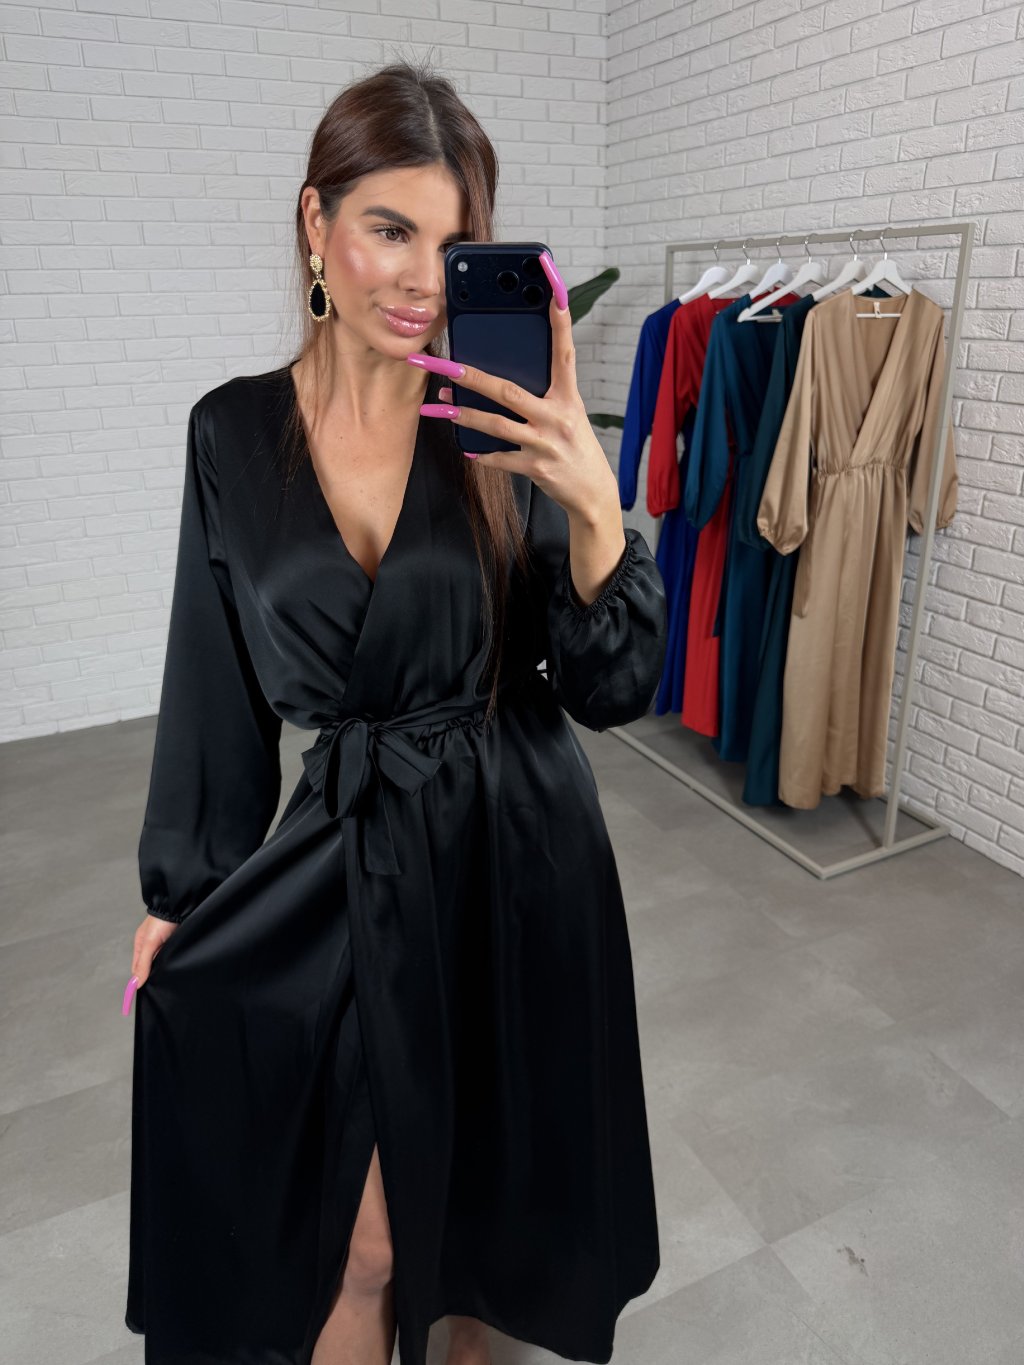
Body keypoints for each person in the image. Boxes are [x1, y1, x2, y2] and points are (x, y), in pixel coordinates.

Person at [123, 59, 667, 1365]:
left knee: (490, 1214)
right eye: (389, 228)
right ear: (315, 224)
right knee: (356, 1242)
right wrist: (181, 892)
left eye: (451, 240)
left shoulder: (500, 430)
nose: (424, 277)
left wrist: (595, 502)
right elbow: (213, 681)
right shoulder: (231, 435)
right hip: (352, 852)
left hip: (520, 851)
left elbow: (610, 690)